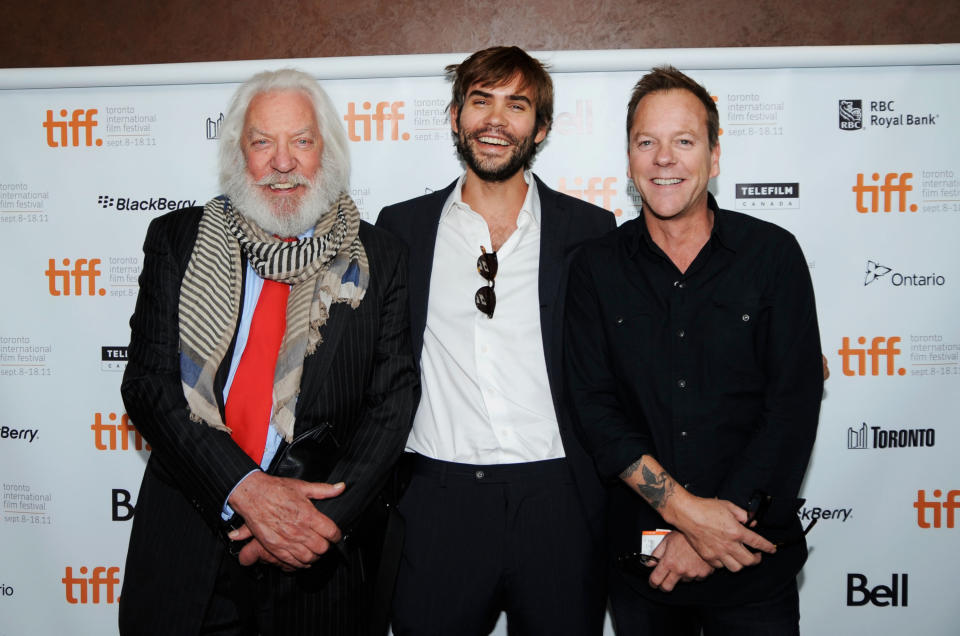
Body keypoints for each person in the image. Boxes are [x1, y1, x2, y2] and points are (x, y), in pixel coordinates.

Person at [118, 68, 418, 636]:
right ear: (239, 153)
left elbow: (392, 404)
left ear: (326, 152)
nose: (283, 162)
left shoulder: (380, 258)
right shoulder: (177, 241)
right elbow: (150, 385)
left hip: (318, 565)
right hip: (188, 542)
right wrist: (246, 491)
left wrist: (311, 526)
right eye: (263, 142)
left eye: (301, 141)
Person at [564, 66, 823, 635]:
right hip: (645, 569)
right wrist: (684, 514)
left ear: (714, 155)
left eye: (684, 140)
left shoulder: (773, 256)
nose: (664, 158)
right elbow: (595, 410)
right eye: (646, 141)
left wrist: (710, 534)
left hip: (752, 557)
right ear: (629, 157)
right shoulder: (595, 269)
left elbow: (792, 407)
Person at [376, 46, 615, 636]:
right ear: (456, 116)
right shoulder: (400, 229)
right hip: (438, 501)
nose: (495, 120)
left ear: (542, 128)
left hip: (559, 499)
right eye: (481, 101)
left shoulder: (590, 231)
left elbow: (632, 357)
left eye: (517, 105)